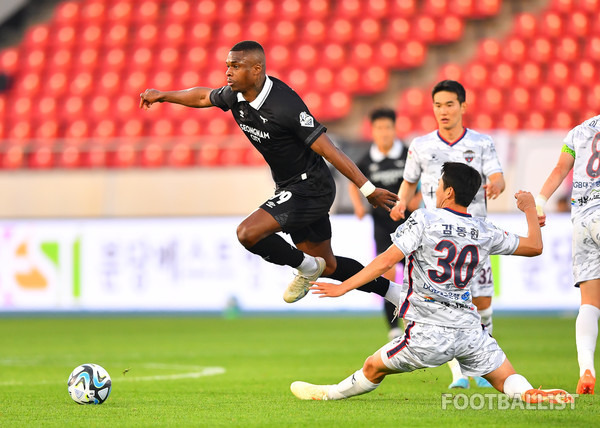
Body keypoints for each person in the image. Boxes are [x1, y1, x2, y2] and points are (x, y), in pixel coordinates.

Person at [290, 162, 573, 405]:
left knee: (373, 366)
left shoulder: (425, 218)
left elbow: (386, 262)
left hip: (428, 331)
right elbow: (535, 246)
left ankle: (327, 394)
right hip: (469, 330)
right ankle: (529, 393)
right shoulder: (484, 229)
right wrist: (527, 210)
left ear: (448, 191)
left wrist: (343, 287)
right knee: (506, 378)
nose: (436, 190)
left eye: (438, 184)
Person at [139, 40, 397, 304]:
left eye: (235, 66)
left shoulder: (285, 106)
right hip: (290, 186)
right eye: (227, 66)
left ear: (256, 70)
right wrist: (163, 95)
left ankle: (306, 268)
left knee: (247, 233)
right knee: (329, 266)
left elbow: (330, 151)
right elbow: (204, 96)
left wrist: (368, 189)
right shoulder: (235, 95)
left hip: (311, 187)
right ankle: (395, 294)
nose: (228, 72)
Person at [390, 80, 505, 389]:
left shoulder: (481, 143)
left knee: (481, 302)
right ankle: (459, 376)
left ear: (463, 106)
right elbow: (408, 181)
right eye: (438, 105)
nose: (443, 111)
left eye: (449, 104)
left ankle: (483, 364)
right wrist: (401, 203)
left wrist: (495, 185)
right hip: (436, 241)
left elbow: (498, 177)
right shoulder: (420, 145)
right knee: (444, 306)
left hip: (474, 238)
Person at [536, 114, 600, 395]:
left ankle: (587, 366)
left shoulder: (579, 131)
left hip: (583, 222)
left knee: (589, 302)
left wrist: (540, 201)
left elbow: (561, 169)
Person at [348, 108, 422, 340]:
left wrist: (415, 202)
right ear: (373, 131)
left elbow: (421, 182)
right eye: (379, 128)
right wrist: (358, 206)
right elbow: (353, 181)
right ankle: (393, 328)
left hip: (410, 224)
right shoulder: (368, 160)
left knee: (416, 275)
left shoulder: (407, 155)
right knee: (388, 274)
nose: (384, 132)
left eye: (388, 127)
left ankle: (420, 322)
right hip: (382, 226)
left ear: (394, 128)